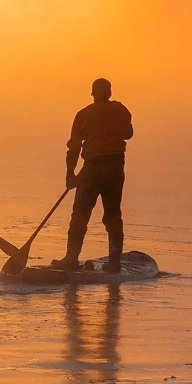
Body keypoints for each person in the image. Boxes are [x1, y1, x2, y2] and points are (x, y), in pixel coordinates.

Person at [52, 78, 133, 274]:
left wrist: (70, 173)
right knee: (113, 215)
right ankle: (114, 262)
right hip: (114, 168)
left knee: (80, 213)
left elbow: (74, 146)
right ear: (110, 93)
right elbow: (128, 134)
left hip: (92, 169)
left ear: (93, 94)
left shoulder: (83, 115)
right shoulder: (120, 110)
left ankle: (71, 259)